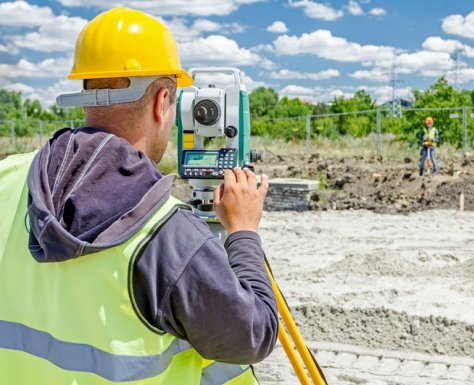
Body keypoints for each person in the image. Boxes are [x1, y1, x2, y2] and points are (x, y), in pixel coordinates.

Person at [0, 7, 277, 385]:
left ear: (86, 92)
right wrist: (243, 232)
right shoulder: (167, 233)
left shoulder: (9, 177)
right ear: (164, 100)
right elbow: (251, 336)